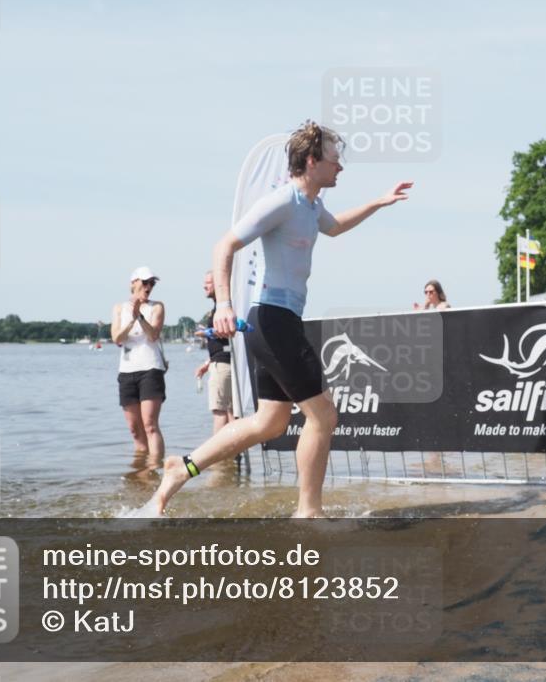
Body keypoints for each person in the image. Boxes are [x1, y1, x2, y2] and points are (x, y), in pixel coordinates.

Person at [153, 121, 412, 517]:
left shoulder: (312, 206)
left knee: (270, 422)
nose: (339, 167)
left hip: (281, 321)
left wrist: (379, 202)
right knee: (323, 414)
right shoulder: (283, 201)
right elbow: (225, 244)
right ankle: (308, 512)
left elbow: (336, 227)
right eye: (334, 160)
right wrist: (223, 305)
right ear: (311, 161)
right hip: (272, 320)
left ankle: (180, 468)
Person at [111, 266, 167, 467]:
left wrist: (141, 317)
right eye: (145, 282)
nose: (149, 286)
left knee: (150, 425)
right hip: (126, 371)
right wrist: (132, 318)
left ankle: (154, 469)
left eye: (152, 283)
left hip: (150, 368)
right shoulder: (119, 308)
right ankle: (140, 471)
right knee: (135, 429)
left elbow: (153, 335)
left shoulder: (157, 307)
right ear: (133, 283)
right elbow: (116, 337)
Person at [195, 270, 236, 441]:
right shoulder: (223, 307)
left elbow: (227, 332)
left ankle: (219, 461)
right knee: (232, 412)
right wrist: (208, 363)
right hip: (226, 362)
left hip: (223, 365)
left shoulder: (224, 307)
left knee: (220, 412)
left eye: (209, 283)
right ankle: (234, 456)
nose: (205, 286)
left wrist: (206, 333)